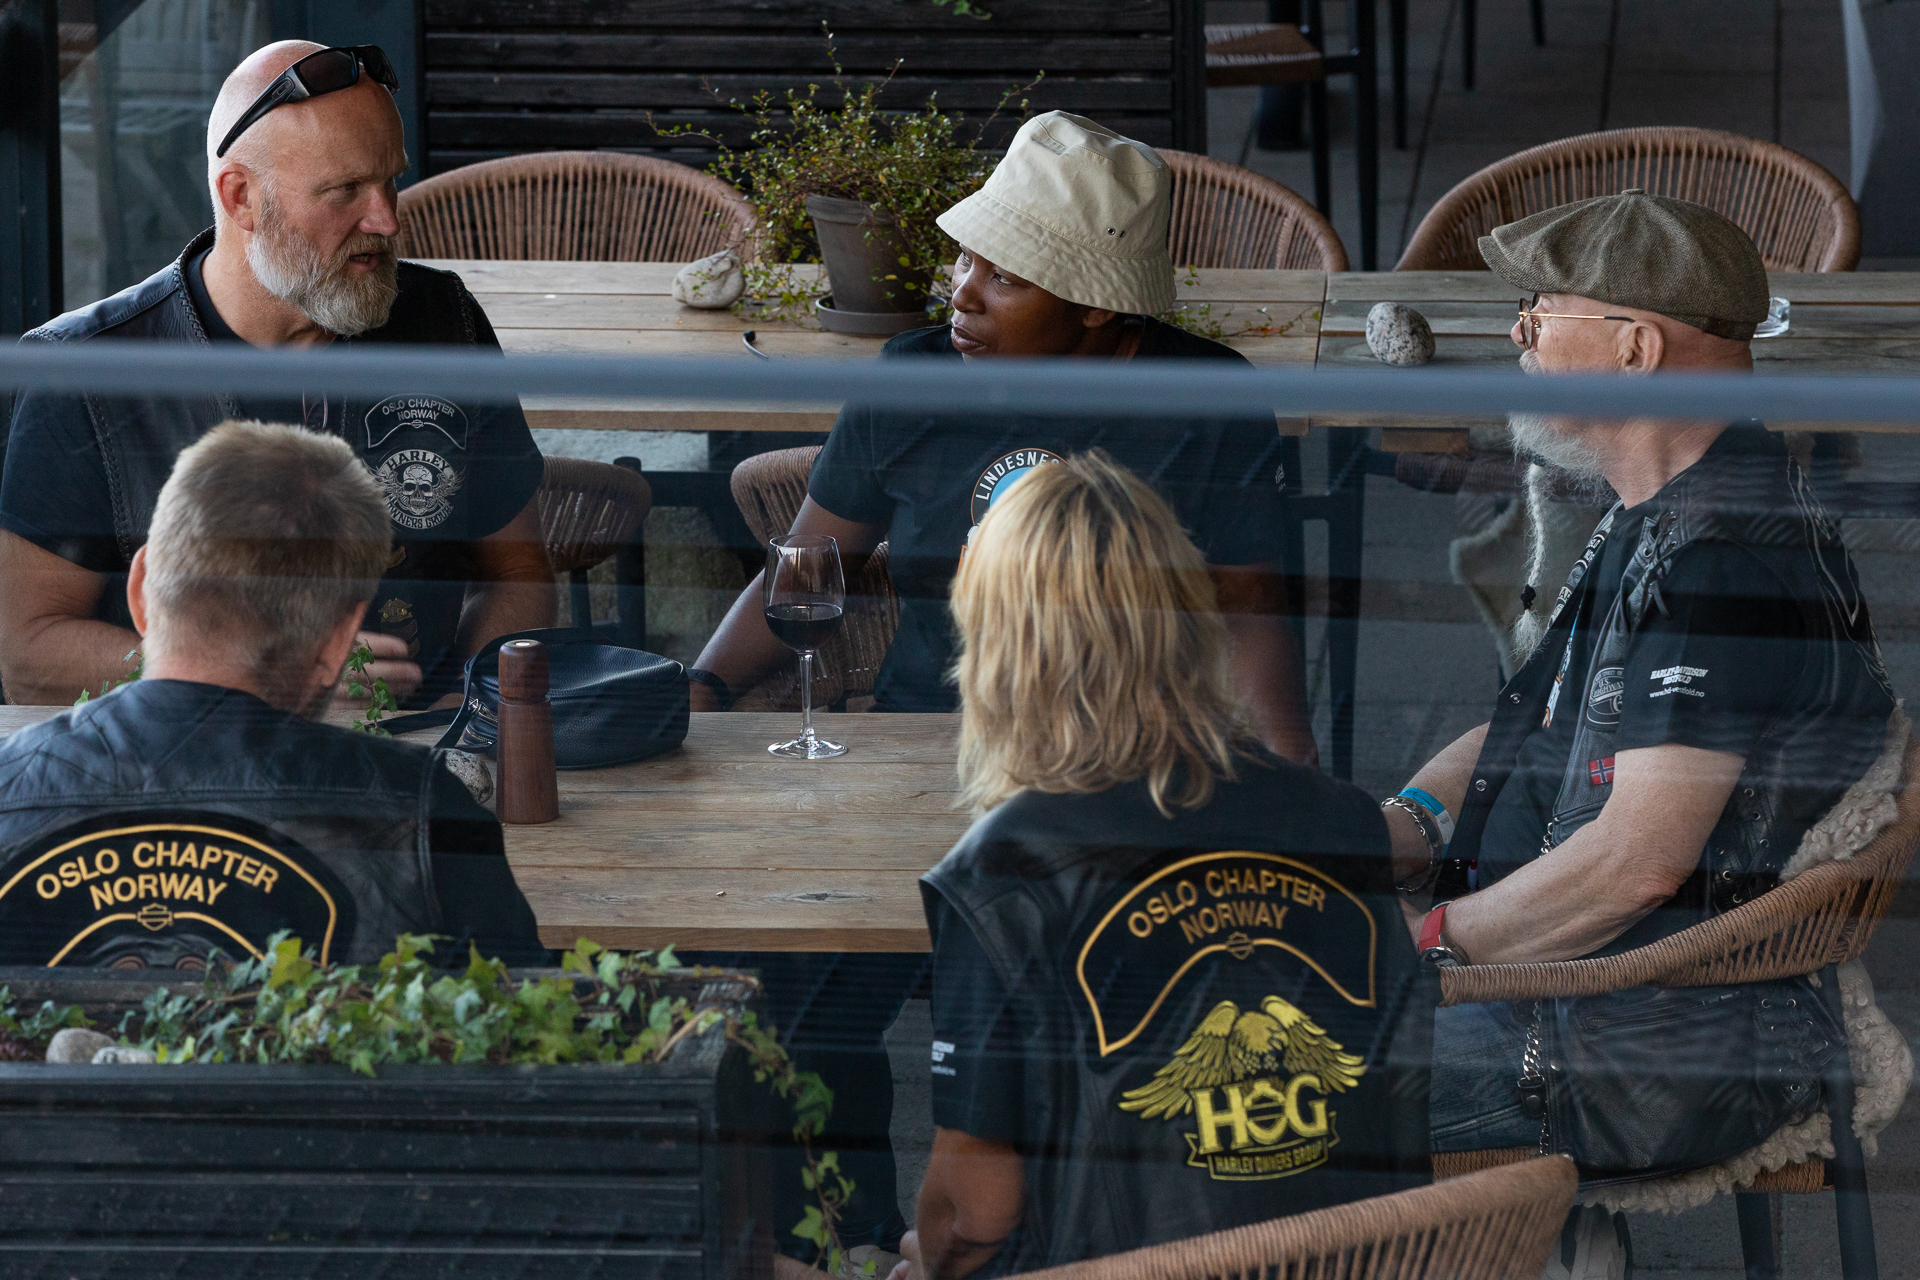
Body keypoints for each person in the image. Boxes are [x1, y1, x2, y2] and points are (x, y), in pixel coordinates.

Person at [1384, 192, 1895, 1271]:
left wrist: (1424, 947)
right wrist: (1401, 826)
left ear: (1634, 348)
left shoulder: (1716, 565)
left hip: (1640, 1042)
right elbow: (1536, 728)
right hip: (1588, 995)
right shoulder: (1667, 503)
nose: (1518, 332)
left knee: (1247, 1085)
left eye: (1541, 309)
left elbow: (1636, 864)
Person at [891, 451, 1429, 1279]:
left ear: (1001, 644)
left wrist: (923, 1253)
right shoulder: (1342, 820)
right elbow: (1387, 1103)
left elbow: (977, 1211)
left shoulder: (1006, 873)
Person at [687, 110, 1313, 764]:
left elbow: (1248, 614)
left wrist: (1296, 775)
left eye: (1005, 277)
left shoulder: (1206, 399)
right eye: (966, 257)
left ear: (1097, 305)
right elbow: (810, 570)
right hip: (928, 739)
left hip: (1128, 753)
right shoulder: (913, 378)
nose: (962, 294)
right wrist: (703, 686)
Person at [0, 39, 554, 711]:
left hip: (414, 750)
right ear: (241, 197)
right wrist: (265, 677)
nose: (385, 219)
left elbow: (519, 574)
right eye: (345, 190)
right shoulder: (84, 371)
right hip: (186, 757)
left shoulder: (443, 321)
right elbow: (27, 653)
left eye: (390, 180)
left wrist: (460, 717)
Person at [0, 420, 545, 970]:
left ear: (140, 589)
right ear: (340, 641)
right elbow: (522, 1011)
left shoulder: (8, 788)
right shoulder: (424, 814)